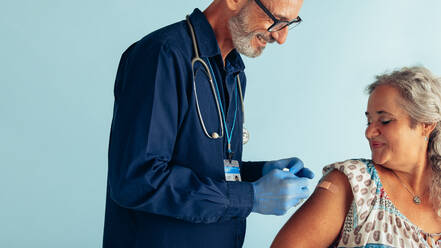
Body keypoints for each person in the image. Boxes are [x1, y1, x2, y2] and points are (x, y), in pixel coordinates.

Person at [103, 0, 314, 247]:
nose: (281, 38)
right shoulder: (163, 55)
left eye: (290, 24)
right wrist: (251, 196)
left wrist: (257, 174)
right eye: (276, 20)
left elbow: (202, 166)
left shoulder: (234, 73)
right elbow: (138, 178)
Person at [272, 66, 441, 247]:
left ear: (426, 125)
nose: (369, 132)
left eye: (385, 120)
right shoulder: (353, 183)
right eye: (369, 121)